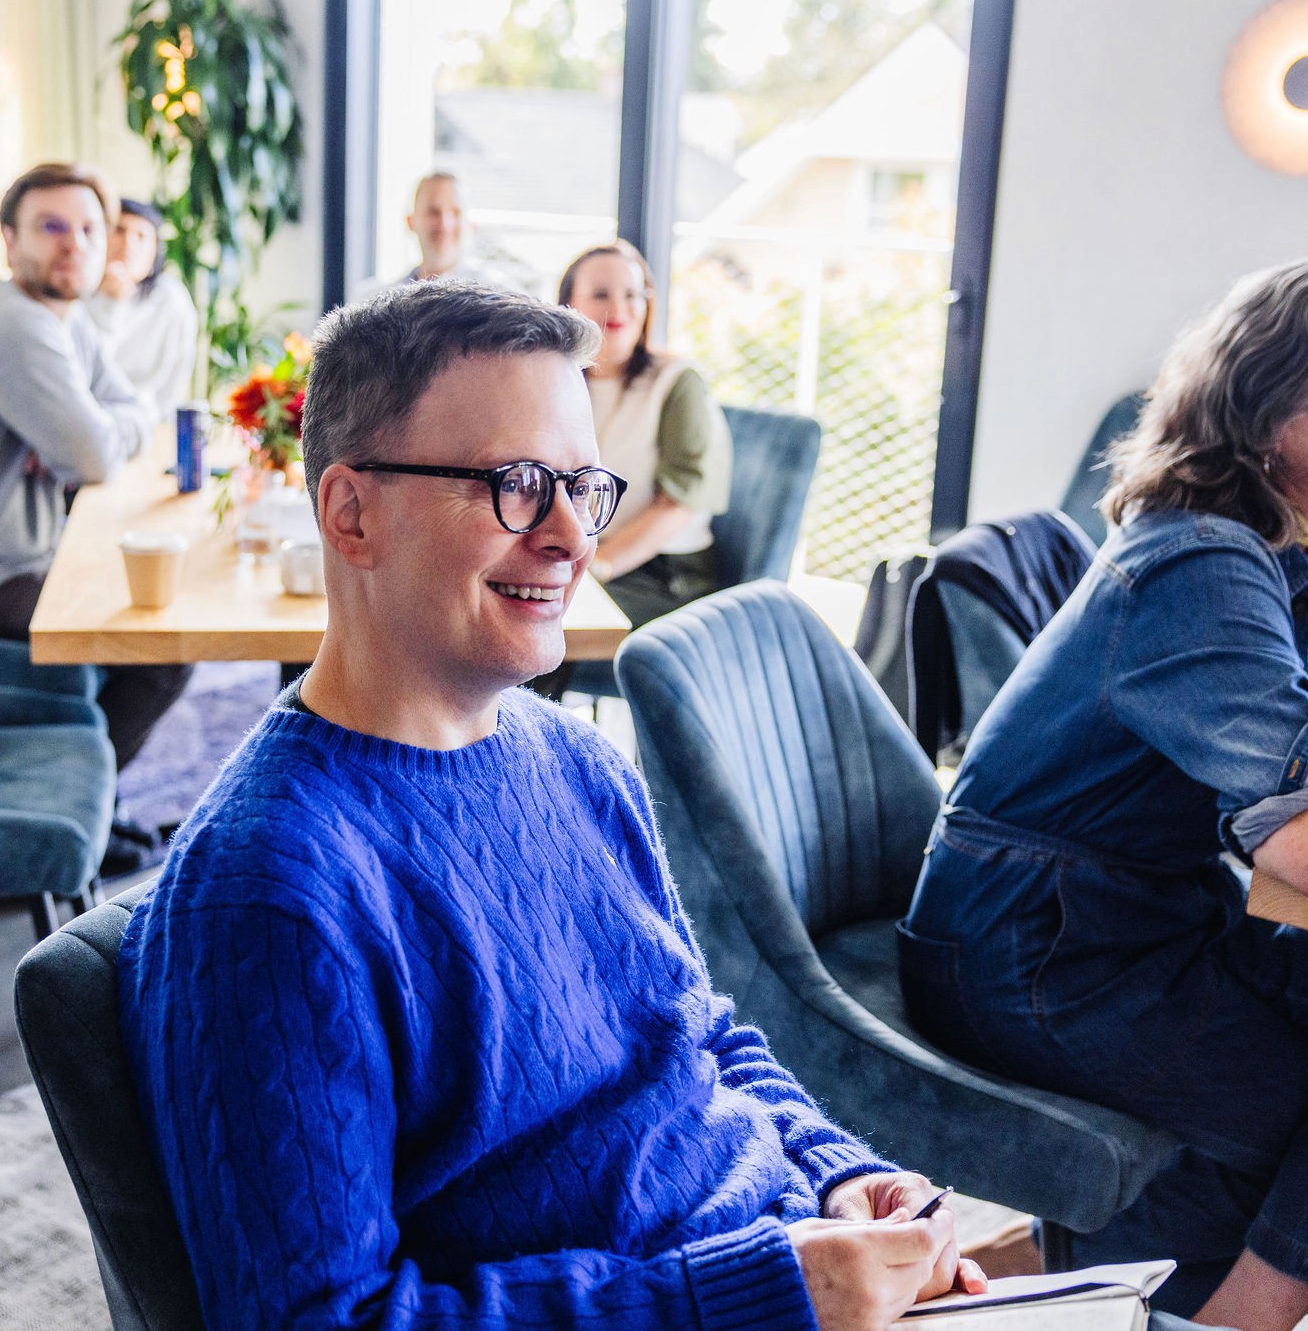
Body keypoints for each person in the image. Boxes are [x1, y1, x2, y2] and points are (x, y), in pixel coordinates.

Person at [118, 279, 992, 1331]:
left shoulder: (574, 758)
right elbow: (317, 1323)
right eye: (519, 484)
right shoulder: (270, 894)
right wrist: (757, 1293)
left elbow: (697, 1036)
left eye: (582, 484)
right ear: (350, 513)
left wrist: (837, 1178)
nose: (573, 536)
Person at [896, 259, 1308, 1329]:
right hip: (1039, 945)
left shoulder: (1306, 553)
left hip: (1143, 916)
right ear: (1268, 414)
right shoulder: (1202, 565)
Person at [0, 163, 192, 866]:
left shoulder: (65, 322)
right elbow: (93, 456)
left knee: (156, 617)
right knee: (164, 645)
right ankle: (79, 808)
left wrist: (91, 430)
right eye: (51, 227)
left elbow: (133, 407)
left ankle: (87, 799)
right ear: (8, 240)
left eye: (89, 228)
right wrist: (87, 434)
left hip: (16, 557)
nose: (74, 244)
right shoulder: (13, 326)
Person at [558, 240, 732, 627]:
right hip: (581, 559)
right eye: (601, 294)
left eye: (633, 295)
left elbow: (678, 506)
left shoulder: (678, 383)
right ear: (568, 304)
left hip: (666, 574)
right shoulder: (560, 382)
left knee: (548, 616)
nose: (619, 309)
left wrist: (595, 568)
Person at [85, 197, 201, 422]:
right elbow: (84, 373)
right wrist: (108, 304)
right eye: (119, 231)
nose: (128, 244)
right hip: (83, 422)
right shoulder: (74, 290)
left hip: (143, 424)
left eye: (141, 236)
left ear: (155, 251)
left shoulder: (171, 300)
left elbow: (173, 383)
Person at [353, 172, 514, 300]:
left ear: (471, 225)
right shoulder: (373, 301)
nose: (445, 224)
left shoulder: (500, 295)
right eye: (433, 212)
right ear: (410, 222)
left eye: (456, 212)